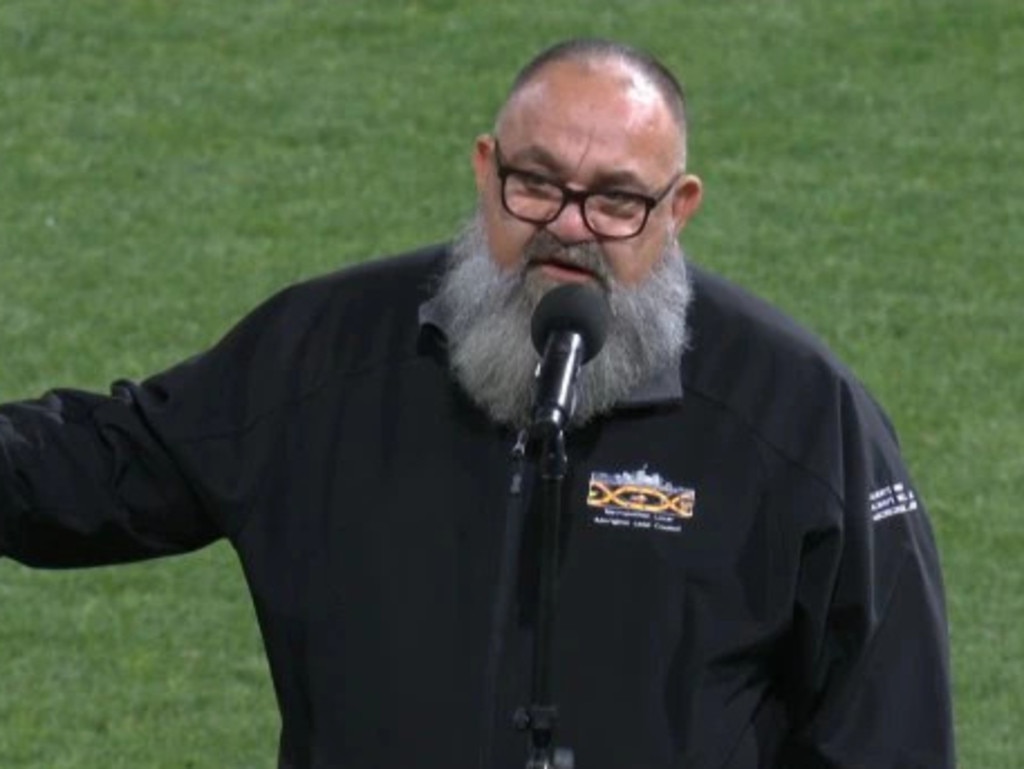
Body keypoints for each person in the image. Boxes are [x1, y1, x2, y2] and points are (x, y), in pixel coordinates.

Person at [0, 38, 954, 769]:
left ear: (680, 207)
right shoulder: (329, 354)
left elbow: (887, 722)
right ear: (485, 166)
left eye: (616, 200)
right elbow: (102, 466)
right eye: (535, 184)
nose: (568, 229)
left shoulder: (793, 413)